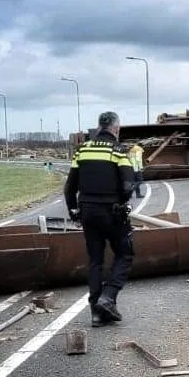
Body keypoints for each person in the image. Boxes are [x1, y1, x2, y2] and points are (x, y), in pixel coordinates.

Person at [64, 111, 138, 326]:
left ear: (99, 127)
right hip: (112, 212)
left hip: (87, 212)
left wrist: (73, 211)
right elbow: (128, 184)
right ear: (115, 129)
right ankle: (109, 297)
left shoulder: (83, 150)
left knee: (95, 260)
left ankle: (96, 313)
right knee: (125, 253)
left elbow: (70, 187)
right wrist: (122, 201)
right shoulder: (117, 151)